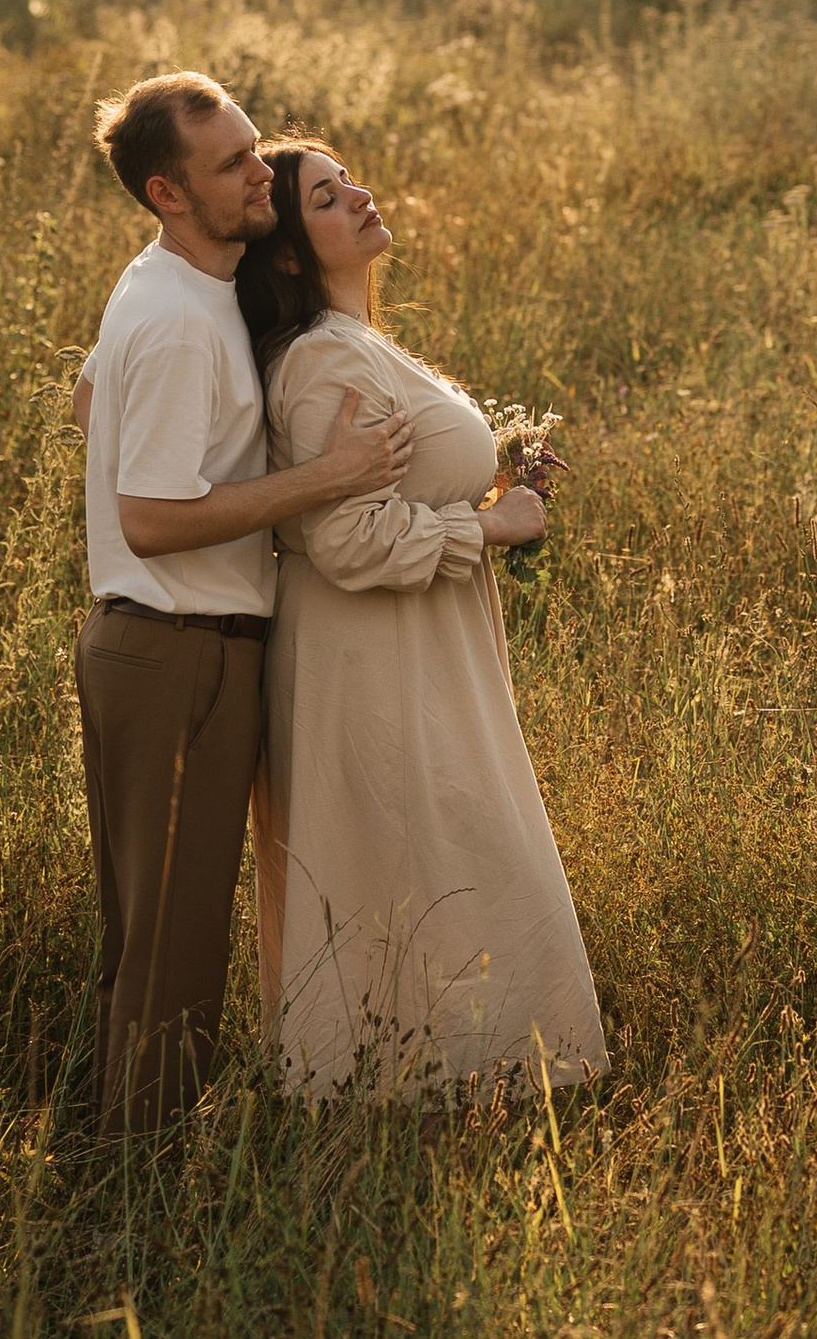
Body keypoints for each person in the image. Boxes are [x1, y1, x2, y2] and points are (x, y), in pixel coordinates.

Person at [73, 74, 411, 1136]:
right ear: (169, 192)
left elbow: (90, 394)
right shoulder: (178, 321)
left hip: (166, 645)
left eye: (255, 147)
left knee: (151, 940)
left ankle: (123, 1159)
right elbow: (153, 519)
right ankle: (139, 1185)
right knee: (173, 954)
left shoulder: (172, 284)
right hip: (178, 650)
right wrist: (330, 475)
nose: (260, 170)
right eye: (231, 164)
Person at [239, 139, 607, 1098]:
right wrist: (488, 528)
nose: (357, 194)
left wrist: (500, 475)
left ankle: (441, 1087)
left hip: (417, 650)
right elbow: (345, 539)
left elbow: (392, 488)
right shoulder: (321, 363)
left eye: (347, 178)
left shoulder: (356, 343)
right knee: (425, 862)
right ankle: (405, 1091)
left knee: (436, 861)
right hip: (372, 663)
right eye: (325, 197)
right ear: (286, 253)